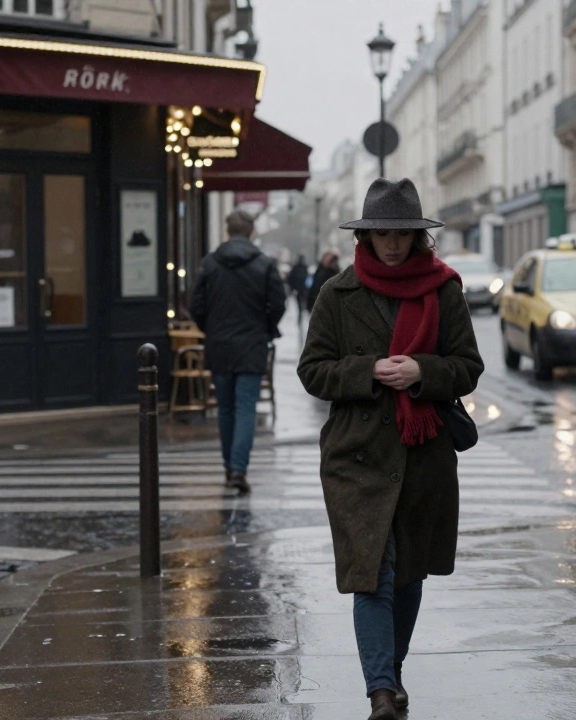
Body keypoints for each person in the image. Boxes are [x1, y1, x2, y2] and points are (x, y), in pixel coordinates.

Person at [297, 178, 484, 720]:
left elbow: (468, 367)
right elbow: (312, 371)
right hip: (357, 456)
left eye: (403, 233)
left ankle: (392, 672)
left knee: (408, 574)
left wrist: (424, 371)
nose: (394, 244)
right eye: (383, 233)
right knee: (372, 572)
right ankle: (380, 688)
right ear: (367, 234)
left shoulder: (444, 290)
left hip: (421, 455)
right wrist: (368, 371)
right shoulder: (338, 293)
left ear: (419, 235)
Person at [189, 209, 286, 495]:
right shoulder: (264, 264)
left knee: (226, 408)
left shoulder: (209, 263)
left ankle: (229, 466)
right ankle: (239, 469)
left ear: (227, 231)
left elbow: (196, 305)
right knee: (245, 408)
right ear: (251, 231)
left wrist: (211, 329)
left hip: (220, 345)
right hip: (252, 344)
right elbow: (278, 304)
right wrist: (265, 327)